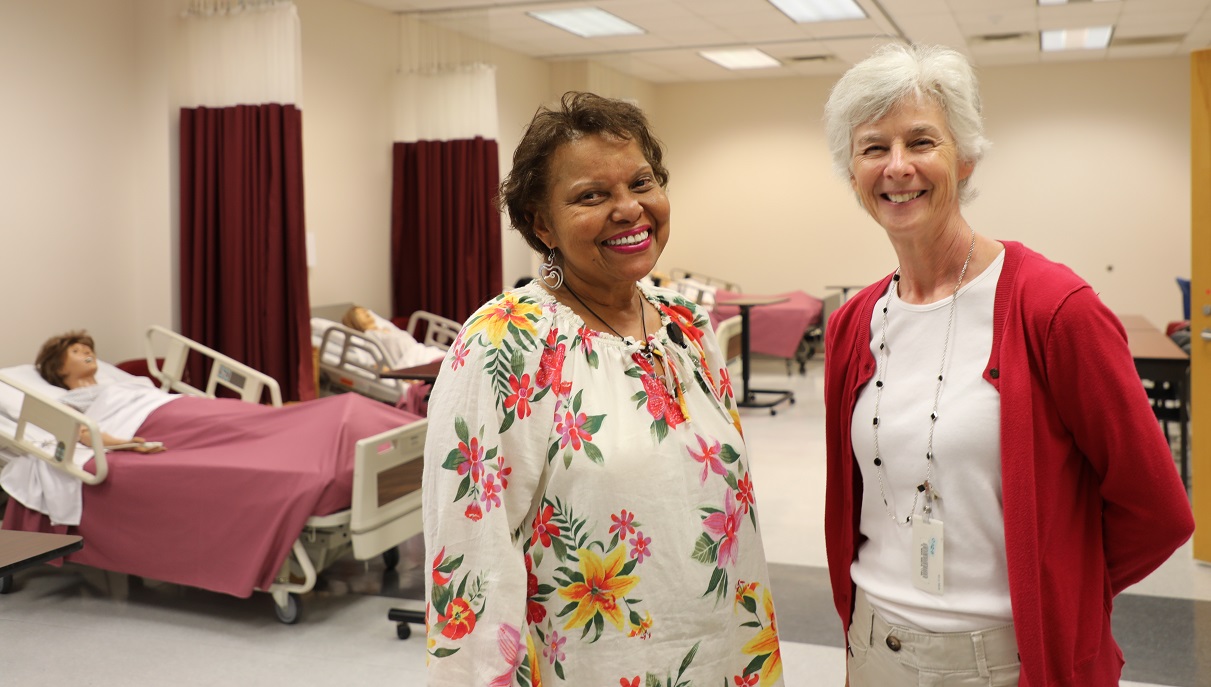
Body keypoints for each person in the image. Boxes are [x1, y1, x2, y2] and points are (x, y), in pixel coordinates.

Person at [821, 43, 1194, 686]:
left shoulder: (1054, 308)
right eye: (873, 147)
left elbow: (1158, 511)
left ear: (965, 158)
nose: (898, 166)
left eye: (921, 141)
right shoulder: (854, 324)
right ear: (853, 171)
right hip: (872, 646)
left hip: (1010, 659)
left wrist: (1061, 588)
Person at [422, 92, 783, 686]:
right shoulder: (503, 342)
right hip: (594, 666)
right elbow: (472, 554)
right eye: (591, 195)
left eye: (642, 182)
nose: (629, 209)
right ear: (543, 225)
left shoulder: (687, 326)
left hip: (722, 653)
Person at [35, 330, 165, 453]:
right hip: (151, 419)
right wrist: (123, 444)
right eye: (76, 351)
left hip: (164, 404)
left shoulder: (118, 387)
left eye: (88, 350)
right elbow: (83, 433)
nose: (88, 353)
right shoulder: (69, 401)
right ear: (60, 368)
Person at [340, 305, 444, 369]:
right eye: (360, 313)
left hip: (422, 353)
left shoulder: (386, 328)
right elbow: (376, 362)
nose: (366, 312)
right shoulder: (369, 336)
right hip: (412, 362)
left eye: (365, 310)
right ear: (354, 321)